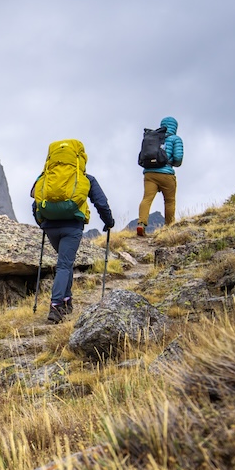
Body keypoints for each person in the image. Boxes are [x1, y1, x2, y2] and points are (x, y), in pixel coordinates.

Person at [31, 148, 116, 324]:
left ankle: (67, 301)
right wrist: (108, 222)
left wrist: (42, 224)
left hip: (51, 226)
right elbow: (101, 202)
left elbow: (35, 202)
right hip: (72, 226)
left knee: (65, 262)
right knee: (64, 264)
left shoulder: (46, 177)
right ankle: (55, 306)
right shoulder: (85, 178)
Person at [137, 116, 184, 236]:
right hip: (166, 174)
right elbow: (178, 159)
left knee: (147, 199)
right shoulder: (175, 139)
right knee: (169, 201)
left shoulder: (153, 137)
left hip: (149, 173)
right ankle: (169, 228)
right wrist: (170, 163)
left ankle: (141, 223)